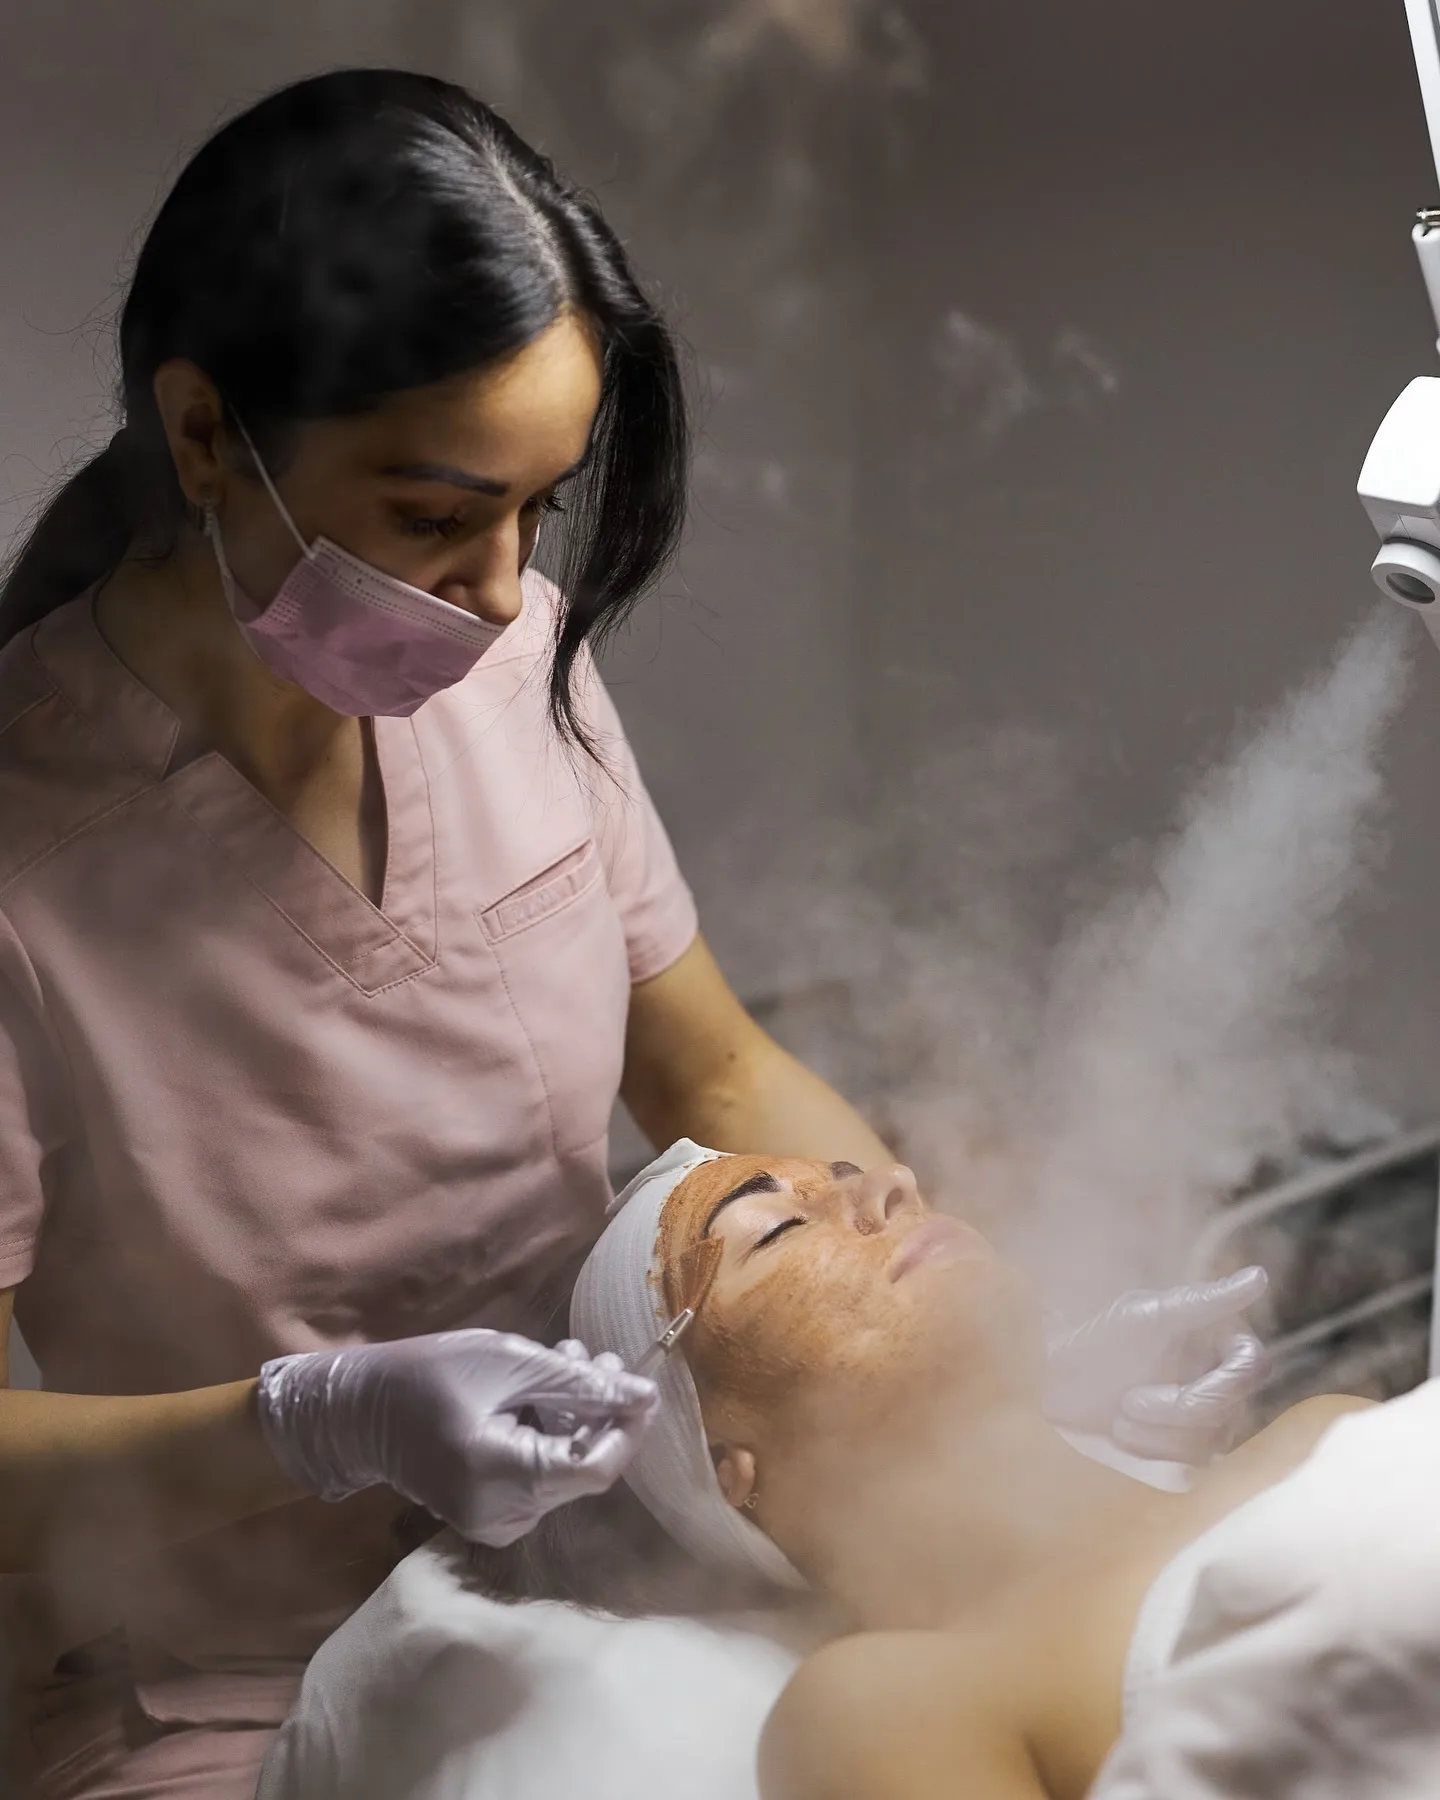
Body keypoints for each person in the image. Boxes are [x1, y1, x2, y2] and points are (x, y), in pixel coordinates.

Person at [0, 66, 1263, 1800]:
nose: (512, 590)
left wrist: (1003, 1374)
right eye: (438, 518)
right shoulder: (26, 851)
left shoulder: (508, 671)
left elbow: (717, 1068)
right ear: (209, 432)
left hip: (606, 1561)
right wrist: (314, 1423)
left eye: (541, 509)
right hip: (214, 1681)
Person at [567, 1142, 1365, 1800]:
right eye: (776, 1229)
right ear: (722, 1462)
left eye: (851, 1174)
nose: (894, 1184)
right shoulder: (892, 1708)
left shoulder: (1320, 1437)